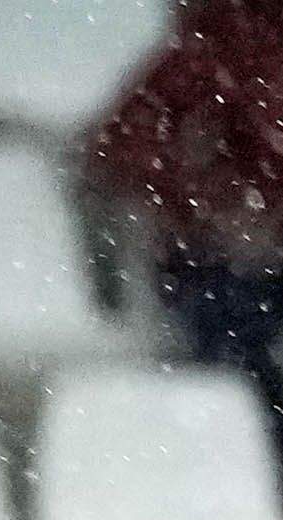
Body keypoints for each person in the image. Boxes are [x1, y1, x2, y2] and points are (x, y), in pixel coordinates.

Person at [89, 0, 283, 434]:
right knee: (235, 347)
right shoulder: (219, 40)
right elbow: (124, 147)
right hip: (220, 267)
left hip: (255, 260)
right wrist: (206, 206)